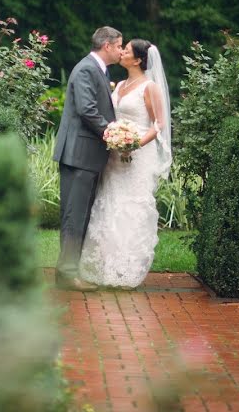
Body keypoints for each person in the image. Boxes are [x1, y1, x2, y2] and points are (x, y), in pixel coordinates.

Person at [78, 39, 172, 289]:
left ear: (138, 60)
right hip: (115, 155)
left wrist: (135, 143)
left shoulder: (149, 87)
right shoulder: (119, 84)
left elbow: (158, 124)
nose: (122, 52)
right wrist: (115, 139)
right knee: (110, 203)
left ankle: (127, 268)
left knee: (131, 207)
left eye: (127, 50)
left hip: (138, 154)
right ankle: (106, 266)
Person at [52, 27, 123, 291]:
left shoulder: (99, 71)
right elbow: (87, 109)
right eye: (118, 46)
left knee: (79, 215)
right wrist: (112, 132)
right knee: (74, 215)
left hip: (87, 155)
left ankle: (69, 270)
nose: (120, 50)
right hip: (78, 154)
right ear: (106, 45)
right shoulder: (86, 70)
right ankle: (68, 273)